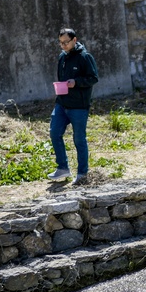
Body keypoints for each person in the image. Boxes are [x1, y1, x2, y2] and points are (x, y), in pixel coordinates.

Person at [48, 27, 99, 185]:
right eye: (60, 43)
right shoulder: (62, 57)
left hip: (79, 106)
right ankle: (63, 168)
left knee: (79, 140)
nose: (63, 46)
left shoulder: (85, 57)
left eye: (66, 42)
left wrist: (76, 83)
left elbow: (93, 78)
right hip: (62, 103)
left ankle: (82, 173)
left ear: (74, 40)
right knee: (54, 132)